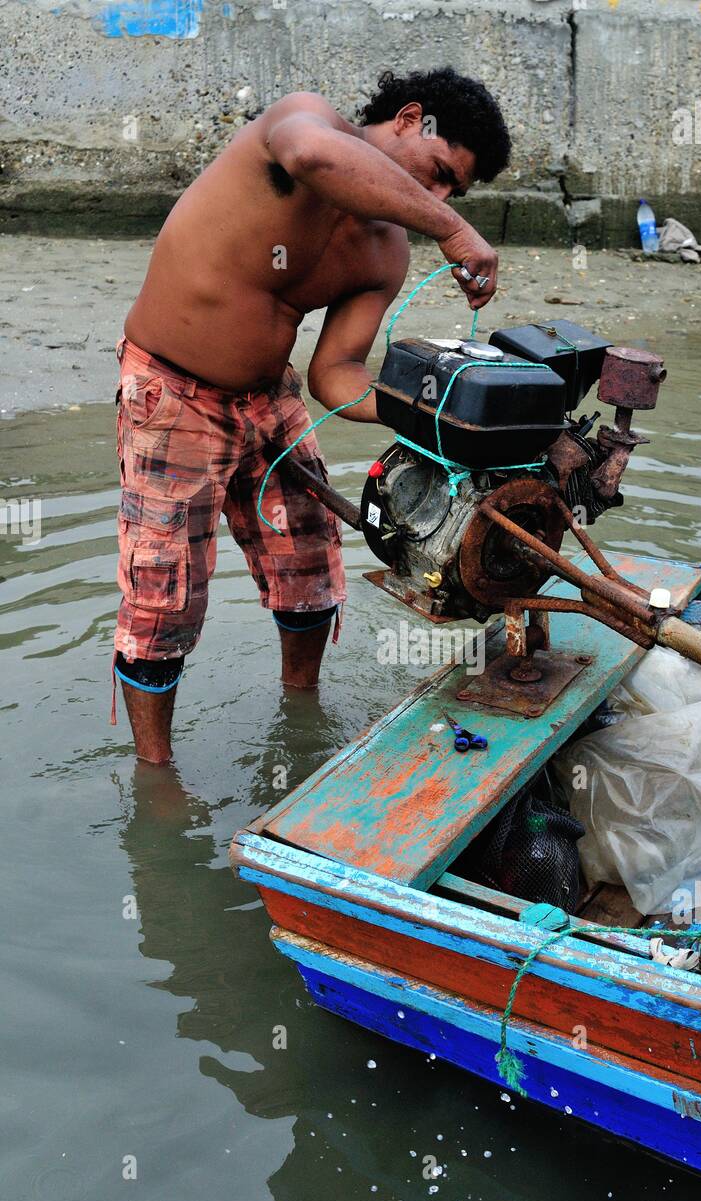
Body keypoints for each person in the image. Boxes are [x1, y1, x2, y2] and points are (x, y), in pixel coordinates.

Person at [113, 67, 511, 762]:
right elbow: (313, 155)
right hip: (171, 393)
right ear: (410, 119)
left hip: (270, 399)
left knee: (310, 568)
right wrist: (454, 229)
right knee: (164, 597)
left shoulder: (385, 250)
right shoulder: (303, 122)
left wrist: (435, 415)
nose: (438, 194)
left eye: (455, 192)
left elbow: (337, 375)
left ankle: (301, 712)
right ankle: (157, 773)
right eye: (440, 172)